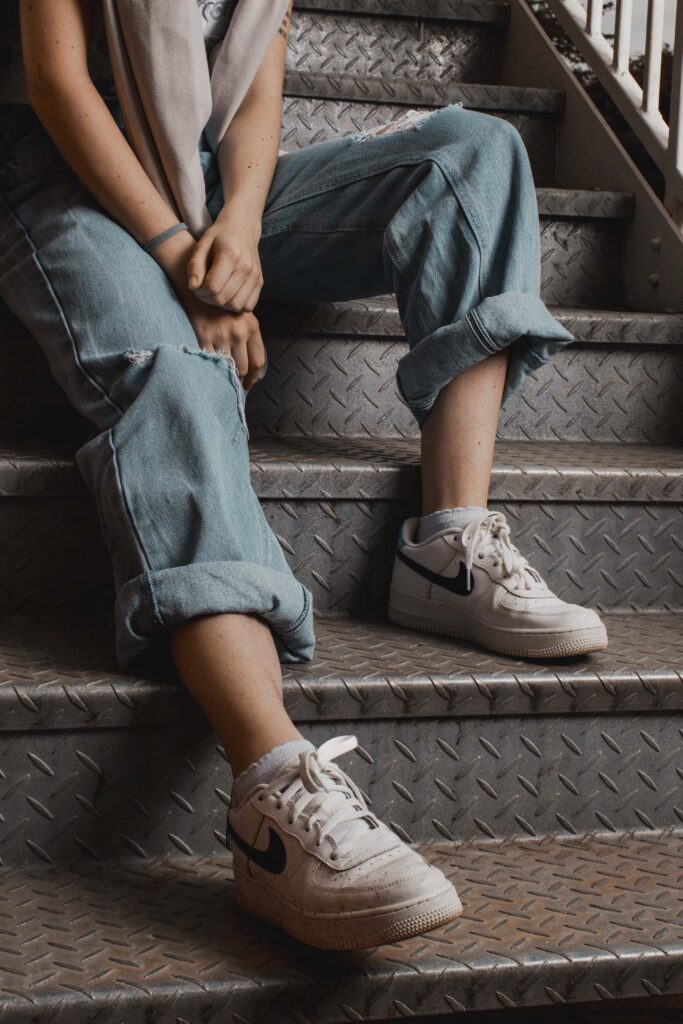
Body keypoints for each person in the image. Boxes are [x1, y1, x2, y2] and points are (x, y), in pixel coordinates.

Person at [0, 0, 607, 950]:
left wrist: (237, 231)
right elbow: (57, 83)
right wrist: (177, 261)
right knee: (183, 375)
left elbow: (250, 91)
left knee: (473, 152)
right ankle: (272, 792)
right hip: (64, 178)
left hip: (201, 186)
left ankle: (448, 547)